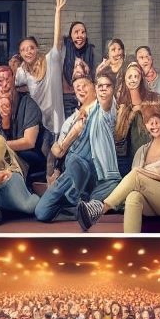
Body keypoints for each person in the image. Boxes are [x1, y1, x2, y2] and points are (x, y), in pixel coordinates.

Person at [78, 104, 160, 232]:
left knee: (137, 174)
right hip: (152, 203)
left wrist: (157, 177)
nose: (154, 125)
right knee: (133, 196)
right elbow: (134, 184)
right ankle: (130, 244)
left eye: (157, 121)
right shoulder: (142, 151)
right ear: (146, 126)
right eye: (150, 122)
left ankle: (100, 208)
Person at [35, 72, 121, 223]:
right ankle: (75, 202)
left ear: (95, 89)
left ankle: (77, 201)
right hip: (76, 170)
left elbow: (106, 99)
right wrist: (56, 148)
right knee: (41, 212)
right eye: (77, 88)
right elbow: (58, 150)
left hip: (99, 173)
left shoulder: (104, 108)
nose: (80, 89)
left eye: (84, 86)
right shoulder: (70, 121)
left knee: (105, 191)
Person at [14, 0, 68, 177]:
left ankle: (54, 186)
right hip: (39, 122)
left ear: (36, 49)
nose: (27, 51)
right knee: (44, 154)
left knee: (54, 155)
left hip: (56, 120)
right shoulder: (23, 72)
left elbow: (57, 39)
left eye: (30, 47)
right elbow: (14, 86)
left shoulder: (51, 60)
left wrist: (58, 12)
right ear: (20, 54)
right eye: (23, 50)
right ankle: (49, 184)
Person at [61, 22, 96, 118]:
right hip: (68, 97)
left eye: (83, 32)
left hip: (85, 96)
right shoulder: (64, 49)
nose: (80, 35)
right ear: (70, 35)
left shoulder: (90, 50)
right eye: (76, 32)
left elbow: (93, 76)